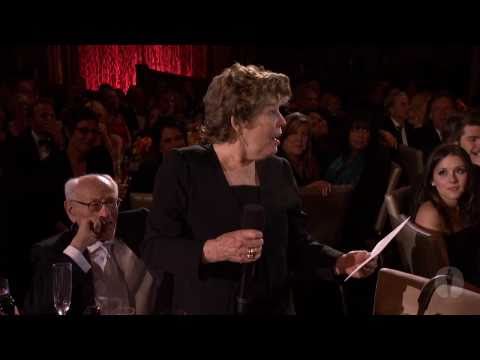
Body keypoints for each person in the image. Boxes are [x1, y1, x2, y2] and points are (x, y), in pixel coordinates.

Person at [142, 63, 377, 315]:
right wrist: (211, 250)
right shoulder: (184, 166)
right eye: (272, 112)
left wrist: (339, 261)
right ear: (239, 121)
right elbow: (155, 248)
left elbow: (296, 245)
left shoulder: (279, 170)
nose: (282, 121)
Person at [24, 174, 158, 315]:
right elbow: (39, 310)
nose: (106, 214)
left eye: (111, 203)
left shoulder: (138, 224)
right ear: (71, 210)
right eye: (95, 205)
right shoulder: (50, 252)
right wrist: (77, 246)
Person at [413, 144, 480, 286]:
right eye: (443, 172)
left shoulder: (465, 204)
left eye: (460, 171)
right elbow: (440, 280)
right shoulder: (430, 214)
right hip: (460, 294)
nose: (453, 180)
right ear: (432, 179)